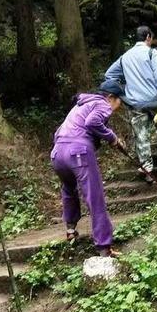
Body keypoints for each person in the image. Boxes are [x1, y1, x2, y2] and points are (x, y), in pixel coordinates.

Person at [51, 79, 126, 256]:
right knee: (95, 197)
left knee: (68, 188)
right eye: (119, 102)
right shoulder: (102, 103)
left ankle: (70, 230)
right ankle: (104, 247)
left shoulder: (80, 105)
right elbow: (92, 123)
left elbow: (60, 131)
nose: (118, 107)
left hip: (57, 152)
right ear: (111, 97)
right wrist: (113, 138)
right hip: (78, 152)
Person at [104, 26, 157, 182]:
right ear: (148, 37)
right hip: (155, 99)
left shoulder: (125, 57)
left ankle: (147, 168)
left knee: (141, 135)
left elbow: (109, 75)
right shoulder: (151, 53)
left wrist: (123, 92)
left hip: (135, 103)